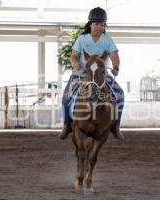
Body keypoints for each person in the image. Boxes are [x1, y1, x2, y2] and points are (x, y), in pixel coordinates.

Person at [58, 7, 125, 140]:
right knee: (66, 98)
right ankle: (66, 125)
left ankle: (116, 126)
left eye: (102, 24)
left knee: (120, 94)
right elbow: (74, 56)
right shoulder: (82, 39)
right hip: (81, 75)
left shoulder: (107, 40)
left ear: (104, 26)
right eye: (96, 24)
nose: (99, 27)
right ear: (90, 24)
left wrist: (116, 66)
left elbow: (114, 56)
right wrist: (76, 63)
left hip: (100, 76)